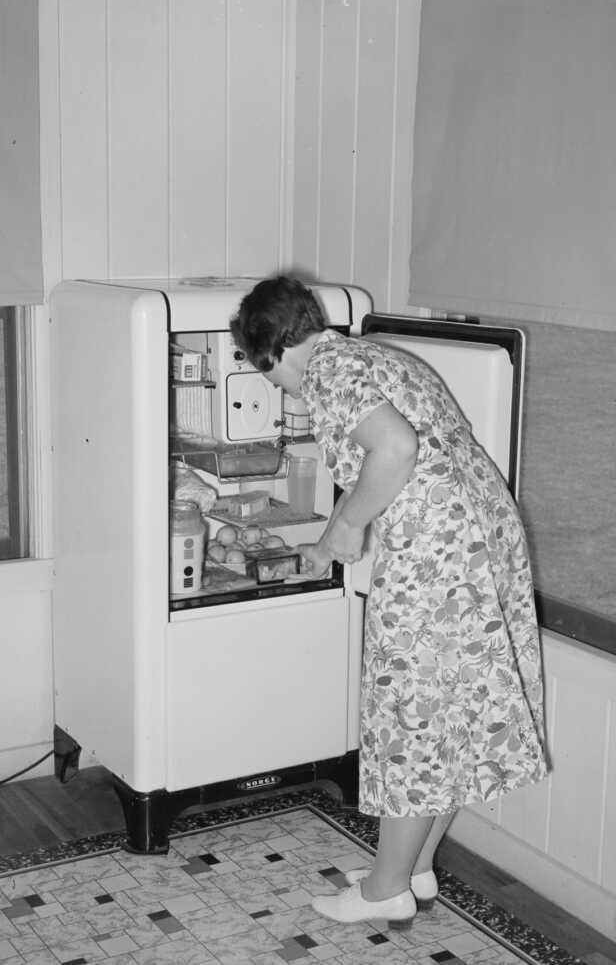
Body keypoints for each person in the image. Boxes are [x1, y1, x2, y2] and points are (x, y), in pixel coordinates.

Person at [230, 275, 548, 930]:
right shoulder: (374, 357)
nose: (274, 386)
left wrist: (347, 526)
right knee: (450, 715)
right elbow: (399, 456)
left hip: (439, 560)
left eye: (266, 372)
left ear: (273, 352)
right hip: (481, 542)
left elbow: (396, 449)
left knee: (413, 719)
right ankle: (413, 868)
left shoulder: (329, 372)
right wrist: (333, 535)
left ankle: (384, 889)